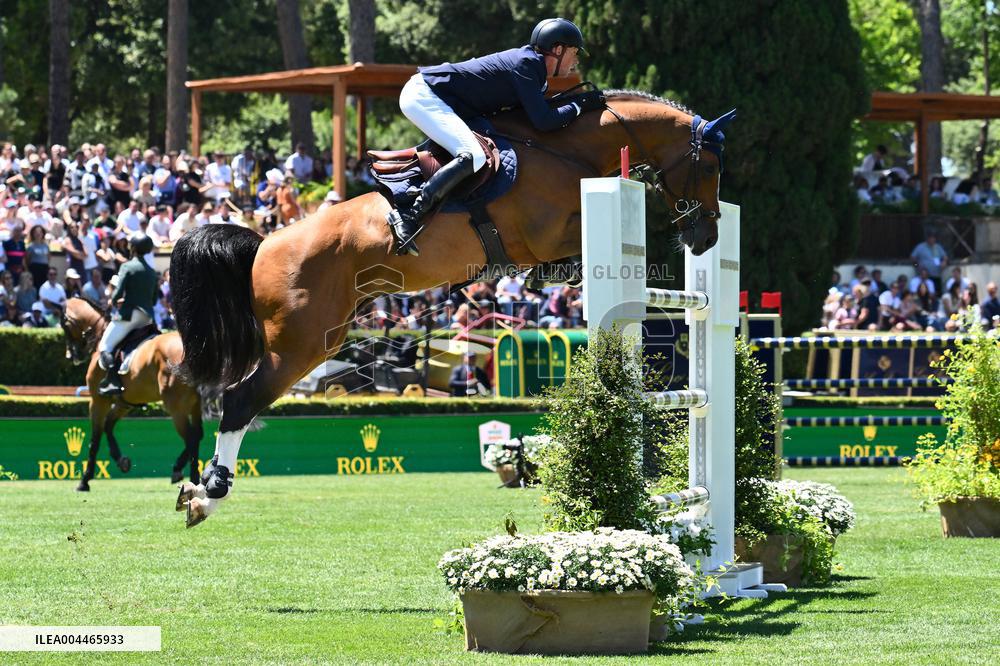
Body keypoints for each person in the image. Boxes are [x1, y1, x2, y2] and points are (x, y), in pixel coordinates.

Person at [386, 17, 602, 255]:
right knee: (473, 156)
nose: (576, 60)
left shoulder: (533, 71)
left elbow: (532, 118)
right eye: (574, 52)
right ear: (558, 50)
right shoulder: (527, 65)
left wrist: (576, 105)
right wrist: (580, 105)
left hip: (447, 103)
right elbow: (544, 121)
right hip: (425, 96)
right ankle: (407, 216)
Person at [96, 233, 158, 396]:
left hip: (130, 315)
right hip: (147, 318)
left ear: (133, 248)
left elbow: (118, 291)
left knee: (105, 347)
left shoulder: (127, 266)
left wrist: (113, 300)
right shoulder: (152, 272)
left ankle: (112, 382)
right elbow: (154, 299)